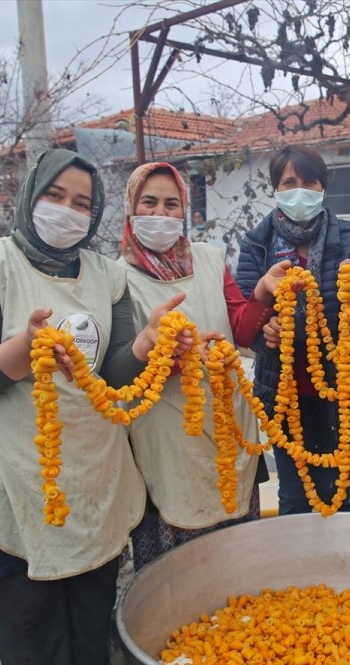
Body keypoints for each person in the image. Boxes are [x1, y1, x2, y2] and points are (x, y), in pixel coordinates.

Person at [0, 149, 189, 665]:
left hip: (91, 459)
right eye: (55, 196)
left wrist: (145, 343)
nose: (67, 211)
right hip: (17, 463)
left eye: (81, 202)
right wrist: (21, 350)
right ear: (31, 195)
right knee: (30, 605)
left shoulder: (105, 274)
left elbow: (113, 374)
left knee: (92, 589)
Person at [118, 162, 286, 570]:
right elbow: (119, 368)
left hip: (226, 422)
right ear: (131, 208)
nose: (160, 213)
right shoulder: (116, 277)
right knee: (178, 565)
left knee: (235, 553)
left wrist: (263, 291)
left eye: (171, 204)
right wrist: (177, 355)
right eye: (149, 202)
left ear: (184, 210)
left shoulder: (209, 259)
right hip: (166, 429)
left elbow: (240, 330)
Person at [235, 145, 350, 515]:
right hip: (284, 391)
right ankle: (296, 555)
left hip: (338, 390)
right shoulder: (257, 243)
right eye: (289, 182)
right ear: (276, 188)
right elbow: (243, 319)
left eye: (309, 181)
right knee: (294, 495)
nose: (300, 190)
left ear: (323, 187)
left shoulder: (349, 237)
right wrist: (265, 333)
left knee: (337, 491)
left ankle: (339, 553)